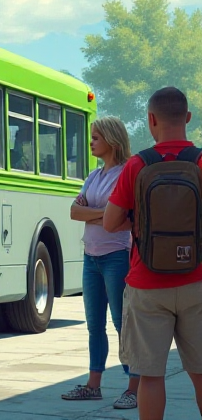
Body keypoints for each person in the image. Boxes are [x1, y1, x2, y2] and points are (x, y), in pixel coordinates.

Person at [104, 86, 202, 419]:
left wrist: (137, 219)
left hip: (147, 283)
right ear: (187, 118)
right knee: (201, 375)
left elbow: (109, 221)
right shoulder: (201, 161)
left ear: (150, 120)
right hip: (197, 282)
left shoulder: (136, 165)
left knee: (150, 376)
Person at [61, 116, 138, 409]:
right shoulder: (93, 176)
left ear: (112, 140)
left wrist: (92, 212)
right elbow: (72, 212)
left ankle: (133, 386)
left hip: (116, 257)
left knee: (122, 323)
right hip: (90, 258)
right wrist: (103, 213)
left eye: (95, 137)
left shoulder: (125, 173)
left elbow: (119, 218)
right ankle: (94, 386)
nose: (91, 141)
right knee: (94, 325)